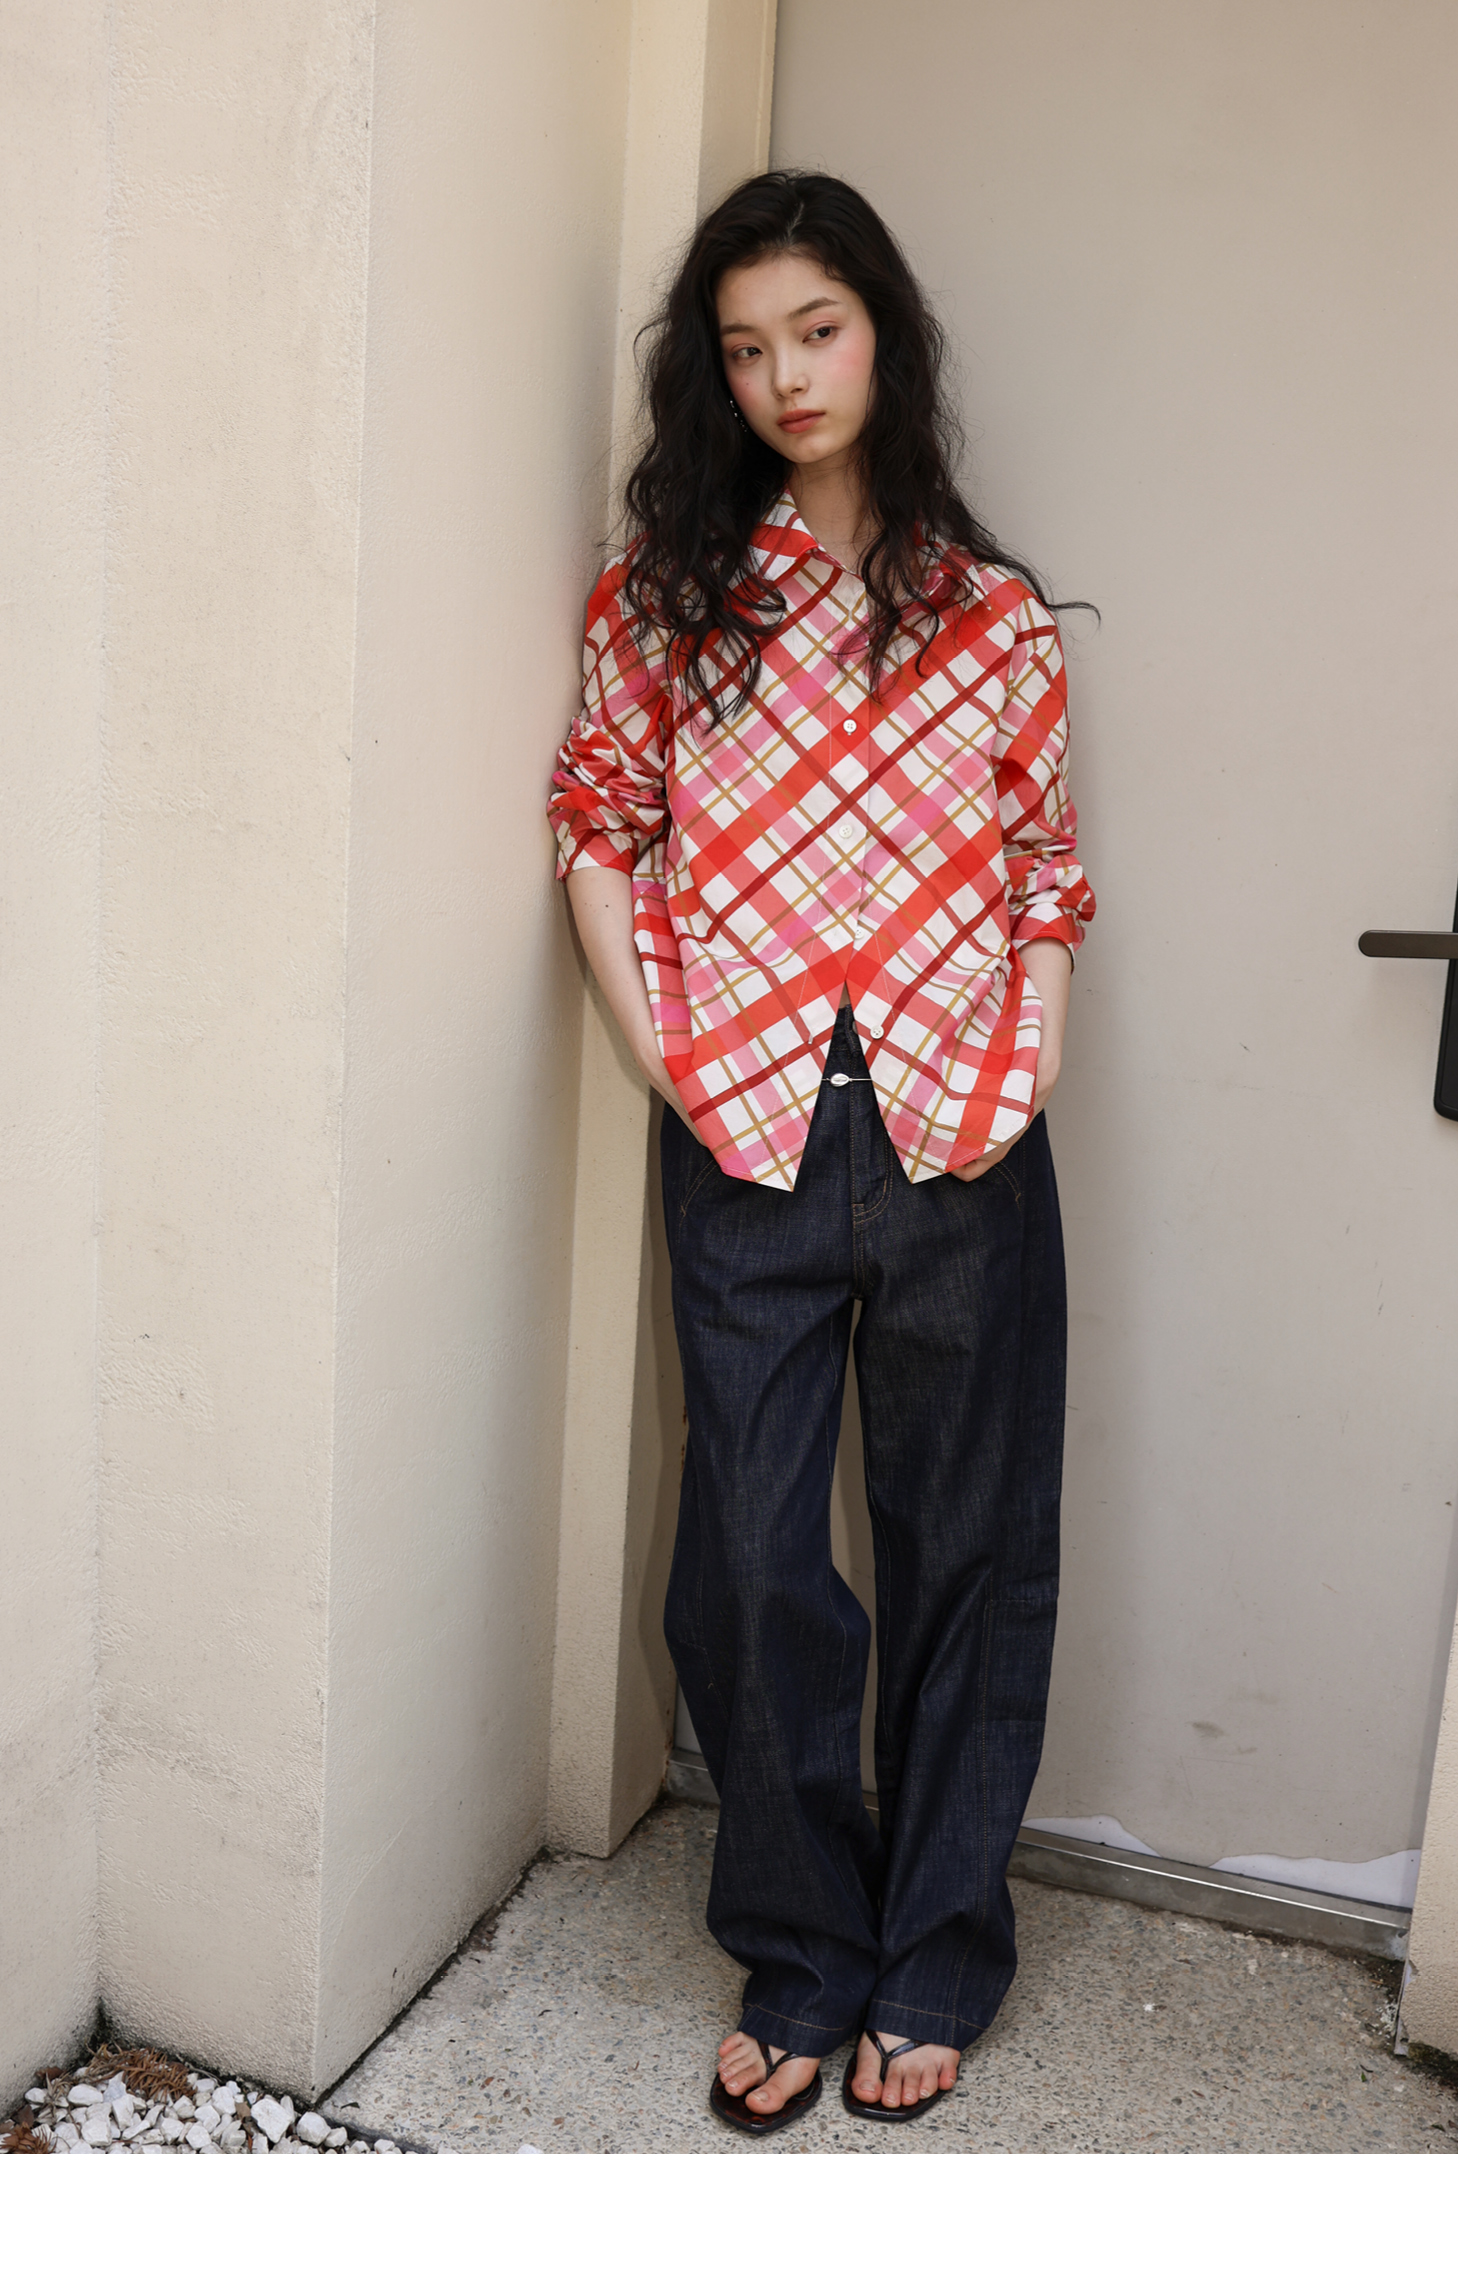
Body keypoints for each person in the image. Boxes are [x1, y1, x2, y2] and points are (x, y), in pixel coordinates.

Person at [547, 171, 1094, 2134]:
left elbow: (1044, 866)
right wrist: (672, 1061)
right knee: (756, 1556)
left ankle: (936, 1947)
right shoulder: (667, 603)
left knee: (971, 1554)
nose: (786, 375)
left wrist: (1029, 1056)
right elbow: (596, 824)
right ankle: (799, 1942)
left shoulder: (993, 618)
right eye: (746, 346)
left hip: (964, 1137)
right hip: (751, 1137)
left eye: (819, 329)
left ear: (885, 336)